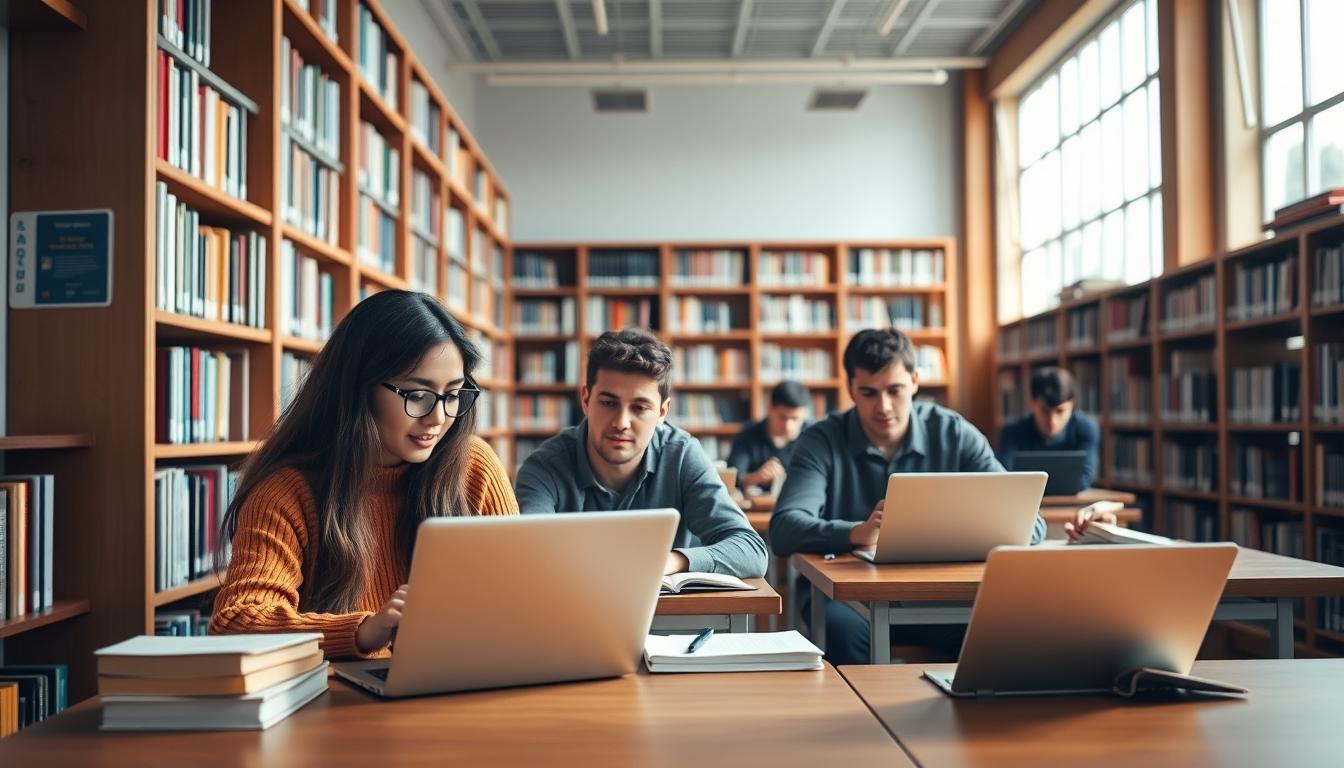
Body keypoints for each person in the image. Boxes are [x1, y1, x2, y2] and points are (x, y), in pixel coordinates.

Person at [769, 328, 1112, 665]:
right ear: (850, 389)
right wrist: (854, 533)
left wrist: (968, 533)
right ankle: (861, 722)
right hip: (847, 602)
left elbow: (1028, 525)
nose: (884, 406)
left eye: (895, 390)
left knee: (1008, 629)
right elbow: (784, 528)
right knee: (842, 633)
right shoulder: (820, 440)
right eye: (869, 392)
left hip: (942, 596)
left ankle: (970, 718)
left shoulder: (954, 432)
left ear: (916, 381)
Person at [210, 291, 519, 659]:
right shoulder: (286, 493)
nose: (438, 418)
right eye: (418, 394)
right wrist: (364, 630)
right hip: (341, 708)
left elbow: (522, 596)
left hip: (459, 690)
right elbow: (237, 621)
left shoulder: (473, 467)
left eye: (452, 395)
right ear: (359, 389)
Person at [515, 329, 767, 578]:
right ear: (585, 400)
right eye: (609, 403)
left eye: (639, 407)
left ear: (662, 413)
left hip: (671, 617)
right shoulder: (544, 466)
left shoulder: (681, 455)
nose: (621, 422)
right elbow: (529, 555)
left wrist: (670, 561)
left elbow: (751, 550)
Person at [996, 366, 1100, 490]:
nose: (1052, 421)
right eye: (1045, 411)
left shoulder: (1086, 428)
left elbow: (1085, 478)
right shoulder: (1012, 433)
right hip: (1025, 505)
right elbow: (1005, 478)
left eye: (1060, 411)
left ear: (1072, 404)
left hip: (1067, 504)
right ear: (1032, 403)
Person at [727, 381, 810, 494]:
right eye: (782, 417)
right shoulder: (747, 435)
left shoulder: (812, 436)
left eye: (795, 419)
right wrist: (756, 477)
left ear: (804, 414)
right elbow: (731, 479)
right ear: (770, 408)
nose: (788, 426)